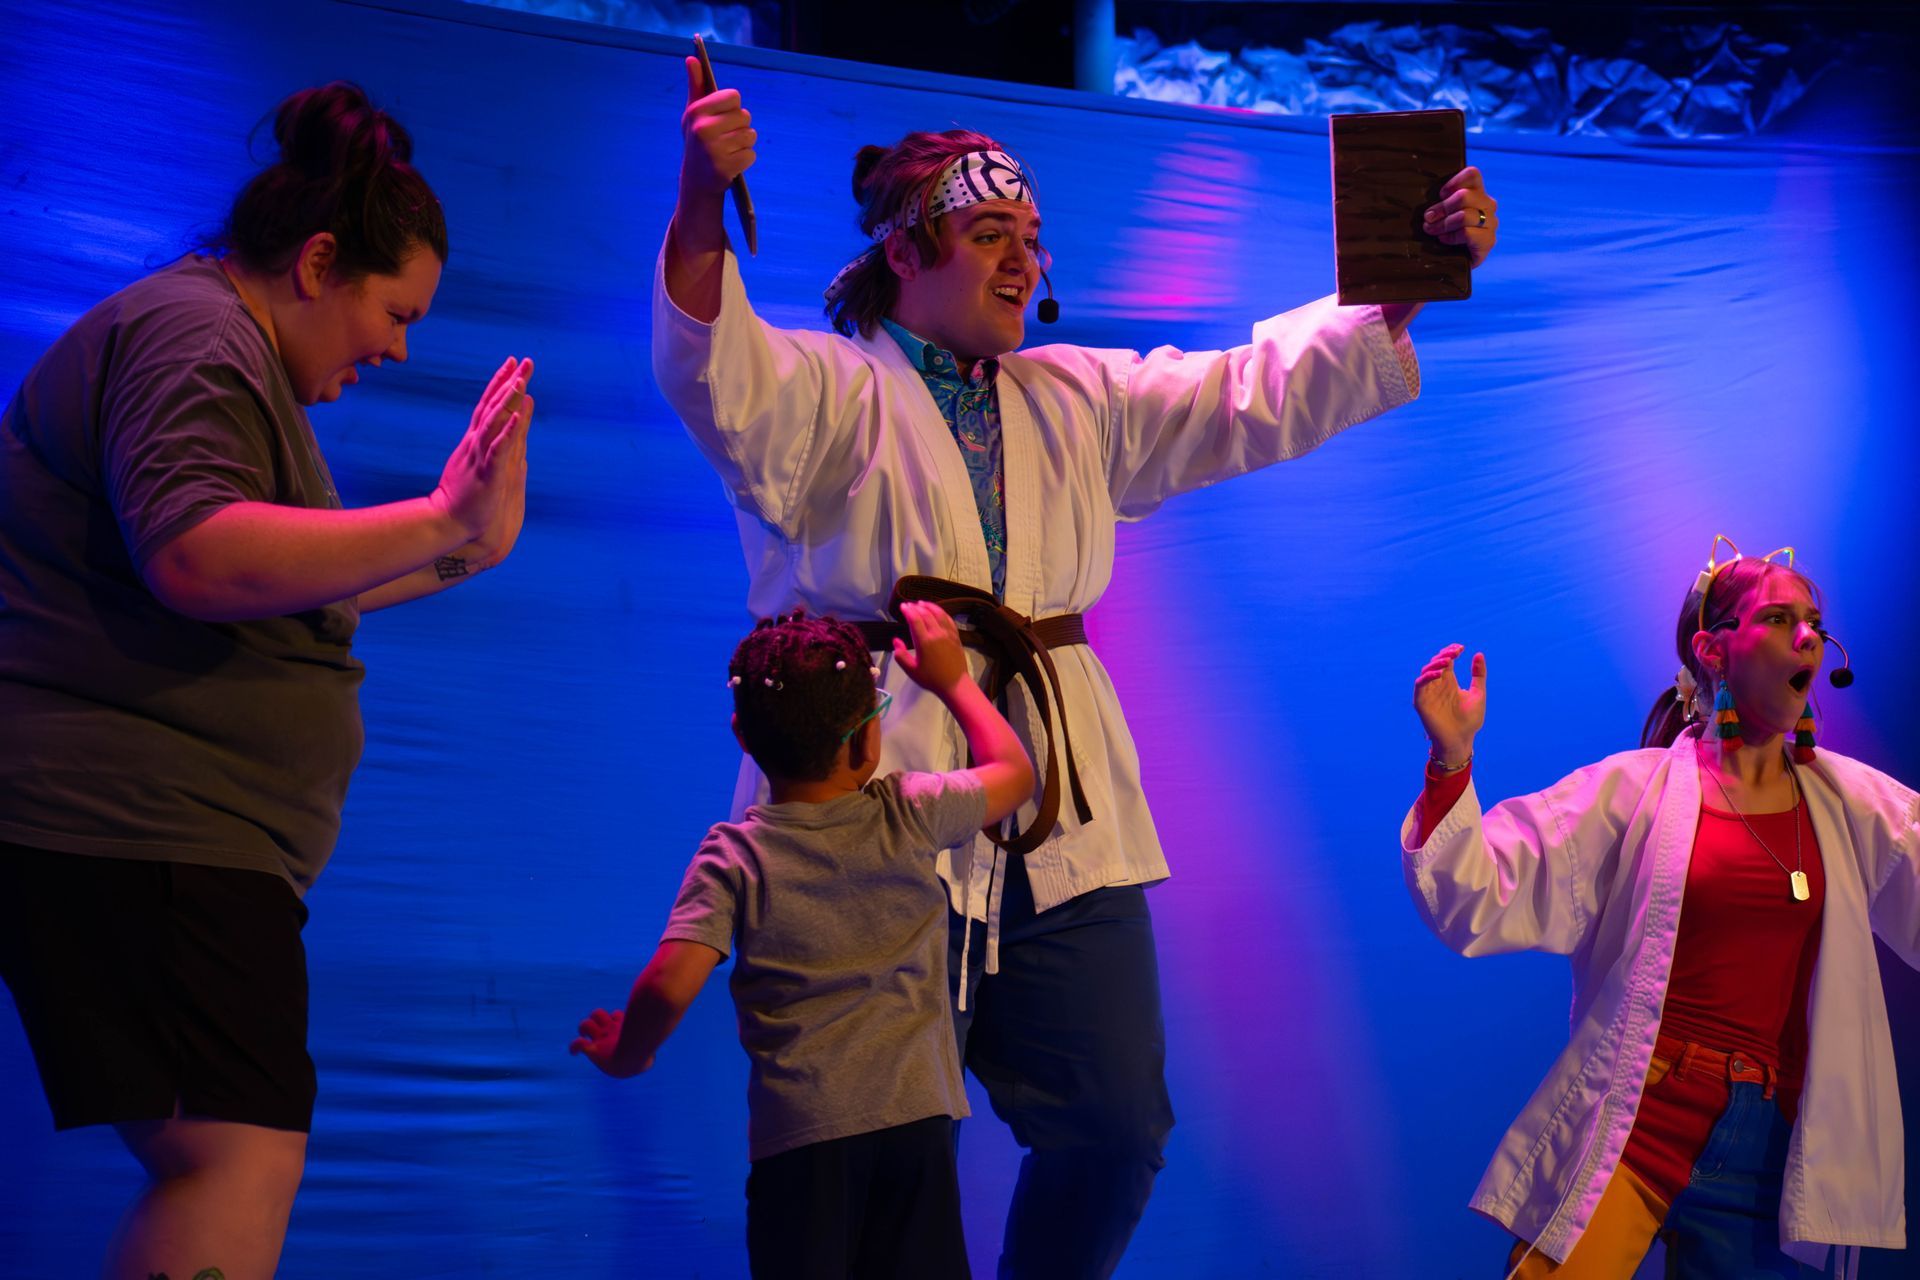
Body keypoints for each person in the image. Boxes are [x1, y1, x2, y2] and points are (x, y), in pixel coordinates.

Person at [654, 54, 1501, 1279]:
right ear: (904, 251)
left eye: (1033, 237)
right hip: (875, 800)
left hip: (1055, 798)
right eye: (989, 231)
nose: (1022, 259)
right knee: (887, 1146)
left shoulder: (1073, 396)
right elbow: (711, 367)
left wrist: (1403, 279)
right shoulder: (830, 389)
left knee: (1115, 1125)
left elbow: (1243, 394)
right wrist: (696, 198)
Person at [0, 83, 534, 1280]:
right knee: (232, 1151)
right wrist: (438, 511)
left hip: (170, 832)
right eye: (393, 311)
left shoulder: (216, 348)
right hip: (137, 820)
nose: (394, 346)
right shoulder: (196, 335)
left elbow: (279, 577)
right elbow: (198, 552)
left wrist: (463, 544)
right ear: (320, 261)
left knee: (236, 1147)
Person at [1405, 538, 1919, 1278]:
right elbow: (1478, 894)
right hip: (1639, 1124)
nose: (1807, 636)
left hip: (1769, 1152)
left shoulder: (1850, 805)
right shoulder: (1633, 791)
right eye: (1778, 618)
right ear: (1713, 650)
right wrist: (1452, 761)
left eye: (1813, 621)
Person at [571, 601, 1033, 1279]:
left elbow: (669, 981)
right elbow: (1015, 774)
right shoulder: (908, 811)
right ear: (865, 741)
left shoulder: (734, 857)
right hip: (918, 1128)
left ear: (742, 736)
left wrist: (627, 1051)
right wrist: (953, 682)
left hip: (803, 1146)